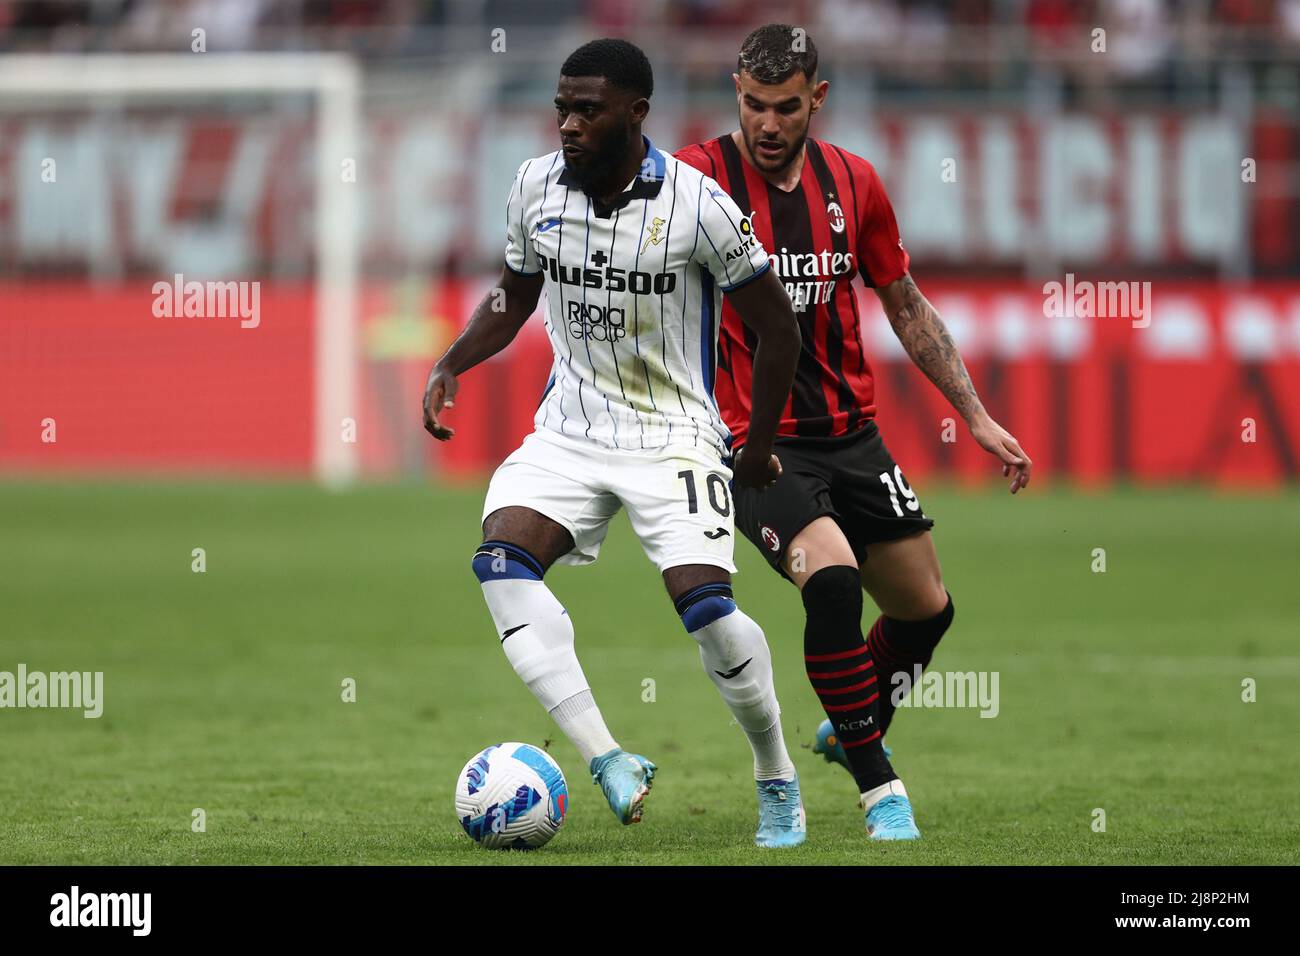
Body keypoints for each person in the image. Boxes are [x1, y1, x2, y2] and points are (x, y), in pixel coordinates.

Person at [423, 39, 808, 847]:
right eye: (562, 107)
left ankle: (775, 771)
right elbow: (515, 291)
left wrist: (759, 445)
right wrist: (454, 359)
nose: (567, 123)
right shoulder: (534, 186)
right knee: (499, 561)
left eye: (587, 109)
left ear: (635, 113)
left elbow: (777, 327)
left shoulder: (699, 207)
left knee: (707, 610)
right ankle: (607, 760)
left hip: (672, 435)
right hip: (569, 428)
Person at [676, 23, 1033, 840]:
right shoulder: (698, 180)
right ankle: (882, 790)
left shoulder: (855, 182)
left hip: (853, 436)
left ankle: (852, 723)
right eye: (755, 105)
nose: (768, 125)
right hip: (759, 447)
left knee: (927, 611)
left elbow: (903, 303)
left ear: (818, 100)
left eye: (787, 108)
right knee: (831, 582)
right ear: (737, 92)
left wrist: (974, 415)